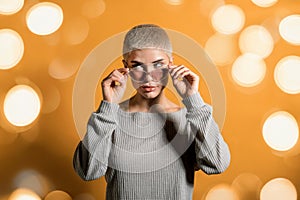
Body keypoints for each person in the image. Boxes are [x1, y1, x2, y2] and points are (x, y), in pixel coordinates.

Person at [73, 24, 230, 200]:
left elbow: (217, 164)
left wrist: (194, 101)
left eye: (158, 65)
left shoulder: (190, 118)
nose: (148, 76)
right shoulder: (109, 118)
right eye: (138, 66)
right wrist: (108, 107)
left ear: (171, 64)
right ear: (126, 67)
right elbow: (87, 171)